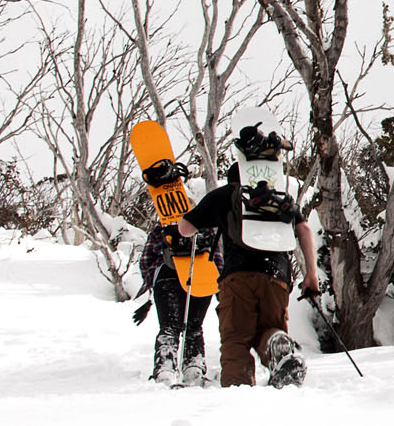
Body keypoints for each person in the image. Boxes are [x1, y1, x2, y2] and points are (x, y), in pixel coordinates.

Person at [178, 148, 319, 388]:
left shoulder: (224, 195)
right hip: (277, 276)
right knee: (269, 328)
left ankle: (238, 392)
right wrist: (311, 275)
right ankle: (278, 344)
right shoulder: (279, 198)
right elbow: (304, 230)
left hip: (238, 276)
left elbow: (185, 228)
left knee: (236, 339)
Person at [133, 224, 221, 387]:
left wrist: (151, 281)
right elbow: (217, 259)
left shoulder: (161, 230)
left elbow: (146, 261)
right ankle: (193, 368)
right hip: (200, 277)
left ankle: (165, 369)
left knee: (169, 327)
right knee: (194, 327)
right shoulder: (205, 230)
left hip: (166, 278)